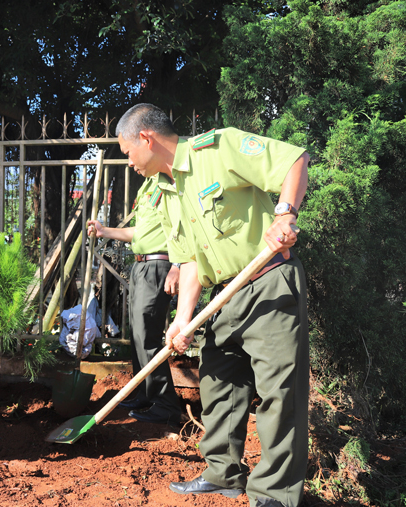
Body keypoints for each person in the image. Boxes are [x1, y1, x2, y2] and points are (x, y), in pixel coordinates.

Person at [114, 103, 310, 507]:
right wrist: (182, 320)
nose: (128, 162)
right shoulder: (165, 193)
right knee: (218, 383)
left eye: (127, 151)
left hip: (268, 282)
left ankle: (275, 493)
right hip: (223, 296)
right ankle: (223, 473)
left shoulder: (219, 149)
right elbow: (188, 262)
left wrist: (285, 214)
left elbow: (294, 159)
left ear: (146, 139)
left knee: (279, 392)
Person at [87, 182, 181, 426]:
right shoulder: (147, 187)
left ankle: (166, 405)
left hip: (158, 265)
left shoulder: (168, 182)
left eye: (130, 152)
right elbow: (139, 232)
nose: (130, 162)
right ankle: (146, 394)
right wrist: (103, 230)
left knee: (148, 337)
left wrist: (179, 266)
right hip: (141, 266)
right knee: (138, 337)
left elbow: (184, 225)